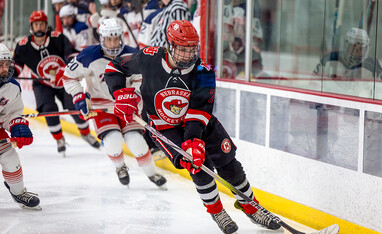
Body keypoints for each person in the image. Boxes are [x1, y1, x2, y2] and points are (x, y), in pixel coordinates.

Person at [104, 20, 281, 233]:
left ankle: (252, 208)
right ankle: (216, 211)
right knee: (198, 166)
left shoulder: (204, 71)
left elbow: (199, 111)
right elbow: (113, 66)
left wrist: (193, 140)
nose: (188, 55)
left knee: (229, 164)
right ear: (169, 45)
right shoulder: (149, 58)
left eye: (191, 49)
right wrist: (121, 94)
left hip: (200, 123)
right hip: (165, 128)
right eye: (182, 49)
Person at [62, 18, 166, 188]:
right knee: (113, 141)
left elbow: (141, 81)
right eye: (109, 39)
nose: (112, 43)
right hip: (102, 106)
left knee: (136, 141)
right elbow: (68, 77)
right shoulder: (89, 55)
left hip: (127, 106)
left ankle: (152, 173)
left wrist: (135, 99)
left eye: (116, 38)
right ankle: (120, 167)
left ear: (121, 37)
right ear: (102, 39)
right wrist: (78, 96)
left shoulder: (133, 55)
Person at [13, 10, 100, 157]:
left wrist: (64, 70)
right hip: (42, 83)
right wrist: (6, 74)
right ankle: (59, 140)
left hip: (64, 79)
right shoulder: (23, 46)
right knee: (48, 109)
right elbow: (17, 68)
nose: (39, 27)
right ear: (31, 27)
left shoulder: (58, 38)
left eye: (42, 24)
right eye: (36, 24)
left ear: (47, 25)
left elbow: (71, 56)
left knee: (74, 107)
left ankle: (86, 134)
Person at [0, 43, 40, 210]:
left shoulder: (12, 87)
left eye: (6, 64)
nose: (4, 69)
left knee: (10, 158)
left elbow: (10, 114)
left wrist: (17, 124)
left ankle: (18, 192)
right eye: (0, 65)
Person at [313, 27, 382, 81]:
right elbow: (314, 83)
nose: (357, 51)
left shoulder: (373, 66)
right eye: (353, 47)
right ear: (346, 45)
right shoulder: (329, 59)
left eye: (361, 49)